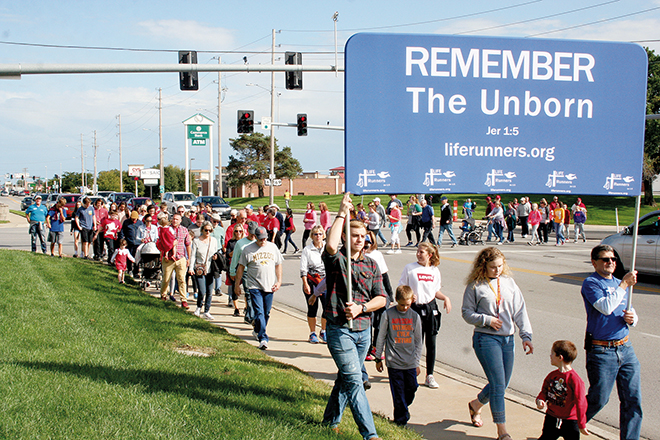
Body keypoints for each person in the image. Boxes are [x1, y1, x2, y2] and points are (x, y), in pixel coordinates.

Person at [321, 193, 387, 440]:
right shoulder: (337, 260)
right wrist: (341, 212)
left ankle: (330, 421)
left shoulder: (372, 264)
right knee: (355, 379)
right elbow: (330, 245)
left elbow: (382, 298)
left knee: (345, 379)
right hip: (339, 329)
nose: (360, 240)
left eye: (363, 236)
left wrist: (362, 308)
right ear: (346, 238)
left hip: (362, 330)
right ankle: (370, 434)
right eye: (355, 236)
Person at [462, 247, 533, 440]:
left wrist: (526, 335)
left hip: (508, 339)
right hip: (486, 338)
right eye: (493, 267)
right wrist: (486, 320)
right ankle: (502, 431)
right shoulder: (475, 286)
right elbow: (466, 313)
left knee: (502, 384)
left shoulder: (509, 283)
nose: (497, 270)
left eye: (500, 266)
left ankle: (476, 405)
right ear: (483, 266)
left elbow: (520, 311)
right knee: (498, 384)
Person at [581, 244, 642, 440]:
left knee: (632, 400)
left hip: (625, 347)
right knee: (599, 399)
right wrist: (624, 285)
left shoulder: (619, 283)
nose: (610, 263)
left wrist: (633, 319)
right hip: (602, 351)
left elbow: (628, 309)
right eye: (605, 259)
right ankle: (567, 426)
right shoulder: (591, 283)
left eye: (613, 259)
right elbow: (605, 307)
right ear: (594, 262)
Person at [398, 242, 451, 389]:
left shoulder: (435, 271)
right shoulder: (410, 268)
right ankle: (413, 369)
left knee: (431, 342)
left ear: (430, 255)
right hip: (415, 308)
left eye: (421, 252)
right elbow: (402, 286)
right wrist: (409, 296)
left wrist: (445, 298)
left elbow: (435, 291)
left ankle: (430, 375)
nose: (418, 254)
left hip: (430, 308)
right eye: (418, 251)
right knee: (415, 342)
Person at [374, 285, 422, 426]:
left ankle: (403, 409)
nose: (405, 308)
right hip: (393, 361)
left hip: (410, 362)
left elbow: (419, 341)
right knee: (398, 392)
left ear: (411, 301)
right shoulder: (388, 314)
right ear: (396, 300)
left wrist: (417, 362)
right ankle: (400, 422)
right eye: (401, 305)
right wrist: (378, 358)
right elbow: (381, 336)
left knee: (412, 387)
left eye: (407, 305)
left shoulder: (415, 317)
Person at [235, 226, 283, 350]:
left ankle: (257, 330)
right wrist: (237, 285)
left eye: (264, 238)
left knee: (266, 313)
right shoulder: (248, 250)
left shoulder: (273, 247)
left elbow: (278, 265)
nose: (263, 241)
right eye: (260, 239)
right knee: (259, 312)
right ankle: (263, 338)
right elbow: (240, 268)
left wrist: (279, 281)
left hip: (269, 285)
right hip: (254, 285)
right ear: (255, 237)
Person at [536, 340, 588, 440]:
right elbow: (544, 391)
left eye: (552, 354)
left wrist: (581, 423)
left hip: (570, 421)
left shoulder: (575, 380)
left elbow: (581, 402)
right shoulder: (552, 376)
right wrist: (540, 399)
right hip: (551, 417)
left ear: (560, 357)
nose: (550, 356)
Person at [159, 213, 192, 309]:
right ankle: (163, 295)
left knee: (182, 279)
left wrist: (188, 258)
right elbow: (161, 243)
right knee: (166, 279)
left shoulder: (184, 230)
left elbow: (188, 244)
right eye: (173, 219)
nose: (175, 221)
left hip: (180, 257)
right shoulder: (166, 229)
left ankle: (183, 300)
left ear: (180, 220)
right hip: (168, 259)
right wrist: (164, 254)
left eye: (177, 219)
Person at [300, 225, 327, 344]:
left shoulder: (328, 247)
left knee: (327, 308)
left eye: (320, 234)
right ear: (312, 236)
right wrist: (305, 283)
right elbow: (303, 269)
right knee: (312, 308)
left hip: (326, 282)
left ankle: (324, 331)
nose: (318, 236)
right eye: (315, 234)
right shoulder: (307, 250)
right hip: (312, 281)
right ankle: (312, 333)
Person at [189, 221, 219, 320]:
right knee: (202, 290)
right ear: (202, 230)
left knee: (210, 291)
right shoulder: (196, 241)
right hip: (200, 269)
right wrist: (191, 268)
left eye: (210, 230)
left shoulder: (213, 240)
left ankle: (207, 311)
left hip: (211, 268)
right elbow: (193, 256)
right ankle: (198, 307)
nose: (208, 232)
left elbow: (216, 252)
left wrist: (215, 257)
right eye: (206, 230)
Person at [230, 221, 257, 319]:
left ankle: (251, 313)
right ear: (248, 231)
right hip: (245, 271)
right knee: (248, 293)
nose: (253, 236)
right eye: (252, 233)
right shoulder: (240, 243)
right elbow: (235, 258)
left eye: (255, 234)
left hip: (256, 272)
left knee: (256, 294)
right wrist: (232, 271)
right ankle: (250, 316)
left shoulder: (258, 242)